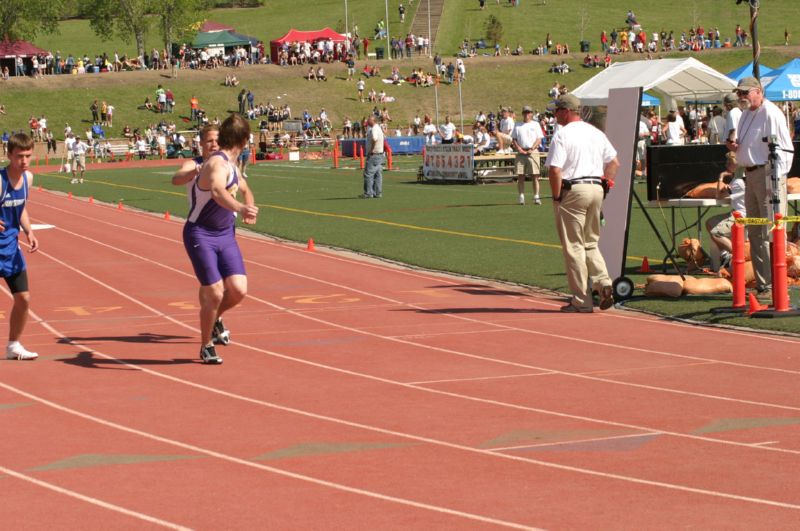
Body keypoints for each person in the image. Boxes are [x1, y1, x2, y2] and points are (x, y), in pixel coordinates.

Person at [182, 114, 258, 364]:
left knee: (238, 291)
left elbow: (246, 188)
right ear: (244, 140)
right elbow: (216, 191)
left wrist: (249, 207)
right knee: (214, 293)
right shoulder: (217, 164)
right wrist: (240, 207)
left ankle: (214, 318)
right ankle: (205, 346)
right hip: (201, 233)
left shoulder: (233, 166)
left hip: (226, 235)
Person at [545, 94, 619, 313]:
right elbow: (614, 162)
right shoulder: (595, 132)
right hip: (596, 187)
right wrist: (605, 184)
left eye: (557, 110)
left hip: (574, 189)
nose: (555, 115)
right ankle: (603, 282)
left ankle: (581, 300)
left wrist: (557, 196)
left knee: (574, 246)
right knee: (590, 242)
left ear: (566, 111)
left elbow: (555, 169)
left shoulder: (563, 134)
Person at [726, 77, 794, 298]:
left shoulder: (771, 113)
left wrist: (774, 180)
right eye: (739, 93)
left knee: (771, 231)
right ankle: (763, 283)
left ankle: (776, 283)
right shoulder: (745, 114)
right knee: (755, 232)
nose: (741, 97)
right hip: (750, 174)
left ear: (758, 91)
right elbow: (747, 145)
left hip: (768, 174)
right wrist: (735, 147)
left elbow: (785, 148)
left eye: (745, 92)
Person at [0, 133, 40, 360]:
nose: (23, 161)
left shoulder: (28, 179)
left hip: (10, 249)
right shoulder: (0, 181)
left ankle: (13, 345)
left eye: (27, 156)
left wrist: (29, 231)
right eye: (19, 157)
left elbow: (21, 207)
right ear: (8, 155)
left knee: (23, 298)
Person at [705, 152, 746, 271]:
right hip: (736, 213)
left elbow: (718, 196)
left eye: (730, 162)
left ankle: (737, 255)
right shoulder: (737, 179)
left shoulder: (738, 182)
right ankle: (724, 255)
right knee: (710, 222)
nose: (726, 164)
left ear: (737, 165)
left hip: (740, 215)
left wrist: (721, 178)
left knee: (715, 233)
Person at [512, 106, 544, 205]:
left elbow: (539, 139)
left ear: (531, 114)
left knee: (535, 176)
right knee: (520, 176)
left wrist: (532, 149)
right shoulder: (517, 125)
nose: (526, 114)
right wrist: (519, 149)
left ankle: (536, 196)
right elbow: (514, 139)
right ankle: (521, 196)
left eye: (528, 112)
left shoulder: (536, 124)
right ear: (522, 114)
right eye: (525, 112)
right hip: (521, 153)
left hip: (533, 152)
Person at [361, 115, 384, 198]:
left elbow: (374, 139)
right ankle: (378, 193)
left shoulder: (374, 129)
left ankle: (368, 193)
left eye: (369, 120)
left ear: (373, 120)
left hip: (374, 154)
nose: (367, 121)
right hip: (380, 154)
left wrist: (371, 150)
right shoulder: (378, 128)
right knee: (378, 174)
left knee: (368, 174)